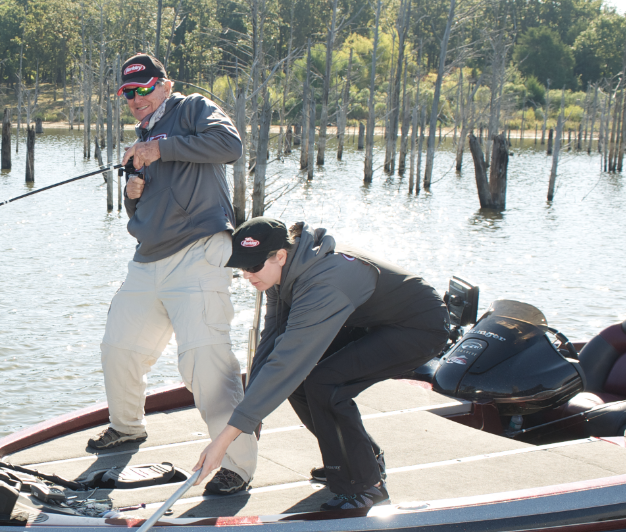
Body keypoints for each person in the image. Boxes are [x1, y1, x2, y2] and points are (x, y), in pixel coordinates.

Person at [87, 53, 258, 497]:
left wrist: (160, 148)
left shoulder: (192, 109)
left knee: (204, 360)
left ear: (165, 84)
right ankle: (126, 429)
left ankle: (236, 467)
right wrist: (132, 193)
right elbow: (139, 215)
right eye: (127, 93)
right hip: (148, 259)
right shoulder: (141, 137)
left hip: (199, 252)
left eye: (144, 88)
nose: (136, 99)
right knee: (119, 347)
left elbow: (230, 146)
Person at [192, 217, 448, 509]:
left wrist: (224, 439)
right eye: (241, 267)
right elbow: (273, 341)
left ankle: (367, 485)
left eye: (252, 266)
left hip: (419, 327)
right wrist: (253, 410)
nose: (247, 275)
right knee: (305, 381)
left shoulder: (322, 282)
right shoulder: (281, 275)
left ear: (280, 256)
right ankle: (357, 457)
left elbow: (288, 362)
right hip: (371, 320)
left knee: (326, 383)